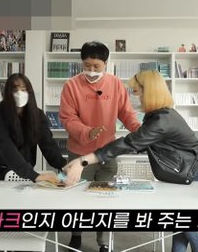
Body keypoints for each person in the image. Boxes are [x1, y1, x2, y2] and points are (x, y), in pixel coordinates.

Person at [64, 69, 198, 252]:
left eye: (136, 92)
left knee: (189, 225)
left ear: (149, 92)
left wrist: (83, 160)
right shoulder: (159, 115)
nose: (133, 97)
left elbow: (128, 143)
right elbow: (140, 139)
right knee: (181, 224)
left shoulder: (162, 120)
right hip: (188, 170)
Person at [59, 41, 141, 252]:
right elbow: (67, 118)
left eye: (96, 66)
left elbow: (127, 113)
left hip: (107, 153)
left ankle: (103, 241)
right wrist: (87, 131)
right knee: (77, 196)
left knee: (105, 198)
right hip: (79, 153)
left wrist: (139, 129)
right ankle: (76, 235)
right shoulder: (71, 85)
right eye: (87, 65)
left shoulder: (115, 84)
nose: (91, 70)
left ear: (106, 63)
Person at [0, 73, 66, 184]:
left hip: (26, 171)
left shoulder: (37, 115)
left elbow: (48, 144)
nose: (20, 93)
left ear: (29, 92)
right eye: (15, 90)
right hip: (2, 171)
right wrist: (34, 176)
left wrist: (63, 166)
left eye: (24, 89)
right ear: (8, 93)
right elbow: (6, 149)